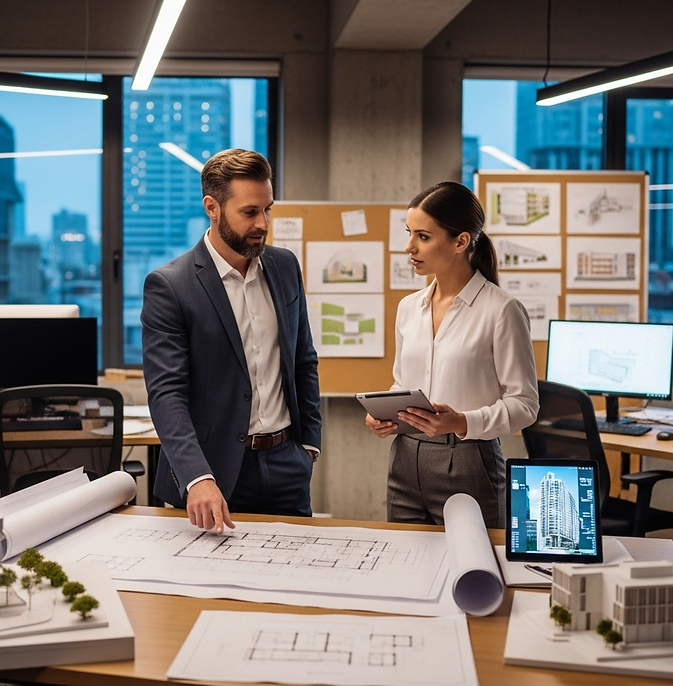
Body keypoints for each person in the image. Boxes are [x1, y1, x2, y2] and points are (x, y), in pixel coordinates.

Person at [141, 148, 322, 534]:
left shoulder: (285, 266)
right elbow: (166, 394)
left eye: (267, 209)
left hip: (287, 464)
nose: (263, 223)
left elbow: (303, 359)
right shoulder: (171, 286)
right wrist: (196, 477)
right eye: (249, 212)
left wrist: (309, 447)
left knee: (294, 585)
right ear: (213, 207)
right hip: (212, 476)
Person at [365, 181, 539, 528]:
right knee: (406, 570)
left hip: (469, 459)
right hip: (404, 456)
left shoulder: (502, 310)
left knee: (476, 572)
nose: (409, 246)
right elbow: (404, 381)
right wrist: (385, 414)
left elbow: (525, 406)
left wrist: (461, 421)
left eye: (423, 237)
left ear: (460, 241)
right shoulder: (409, 307)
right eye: (409, 233)